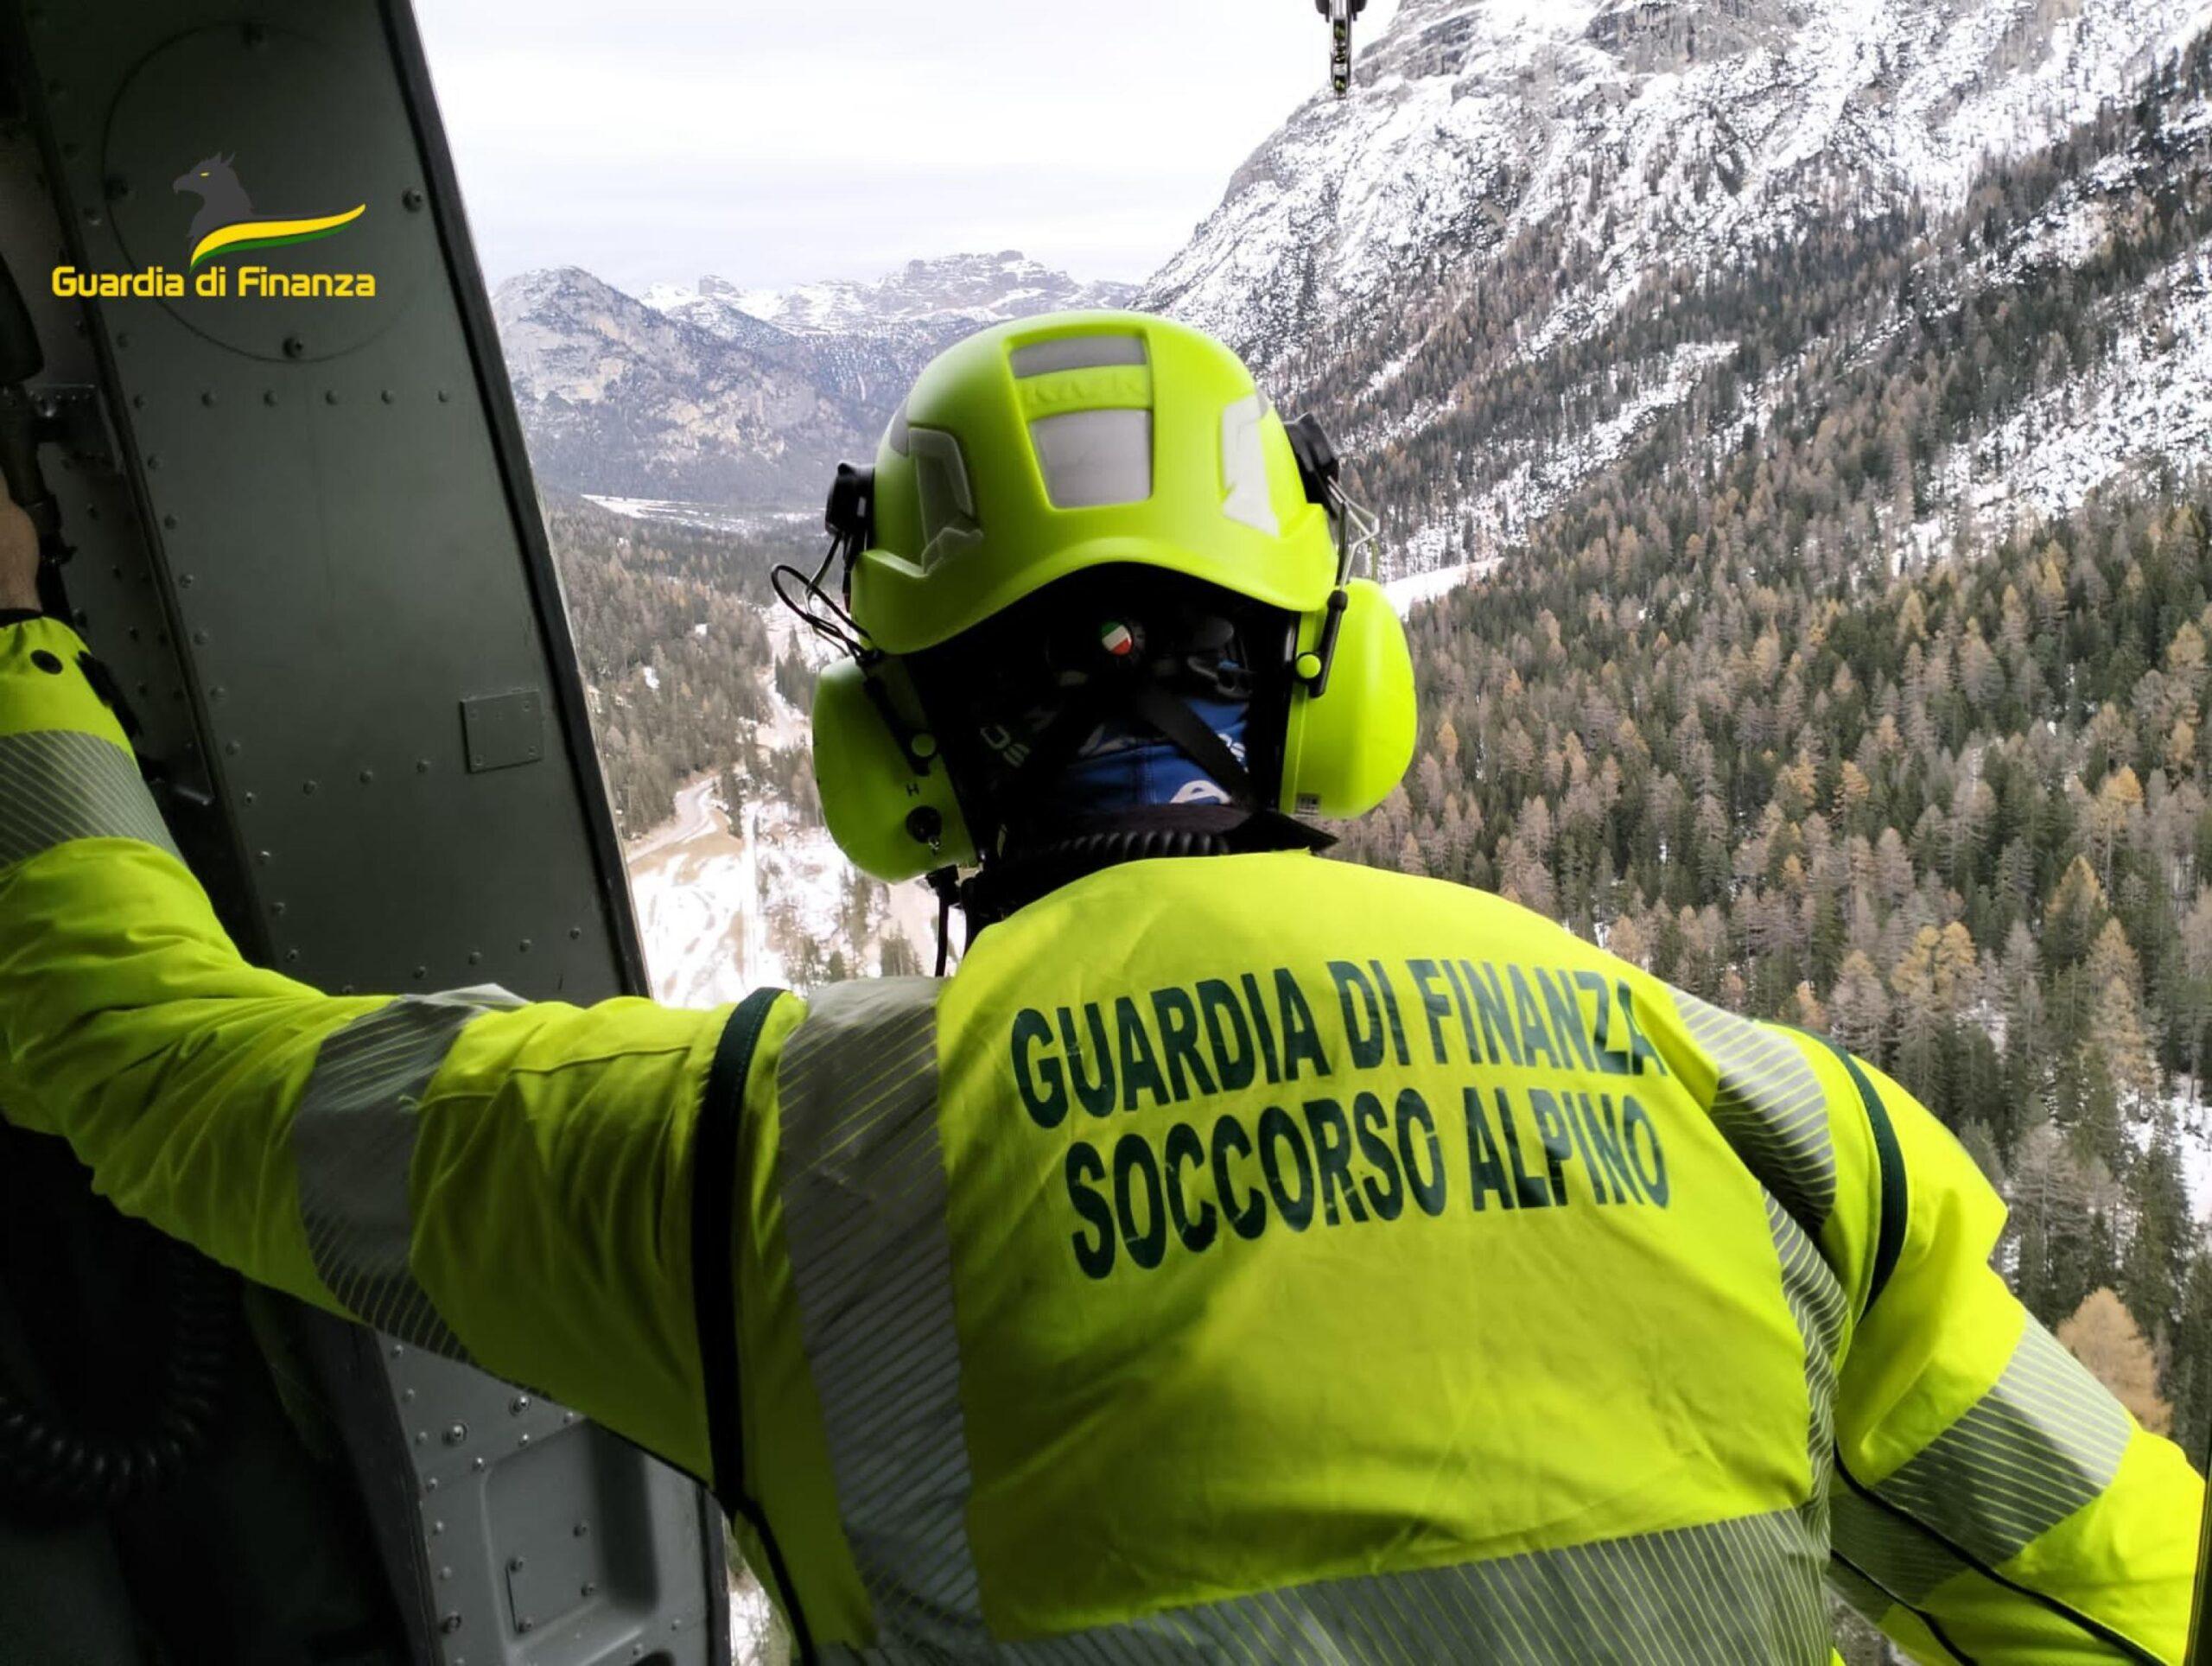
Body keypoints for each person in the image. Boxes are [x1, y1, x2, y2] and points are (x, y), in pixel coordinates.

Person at [0, 309, 2198, 1665]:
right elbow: (2129, 1594)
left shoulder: (741, 1169)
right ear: (1346, 705)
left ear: (890, 770)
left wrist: (20, 647)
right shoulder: (1775, 1123)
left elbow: (147, 1057)